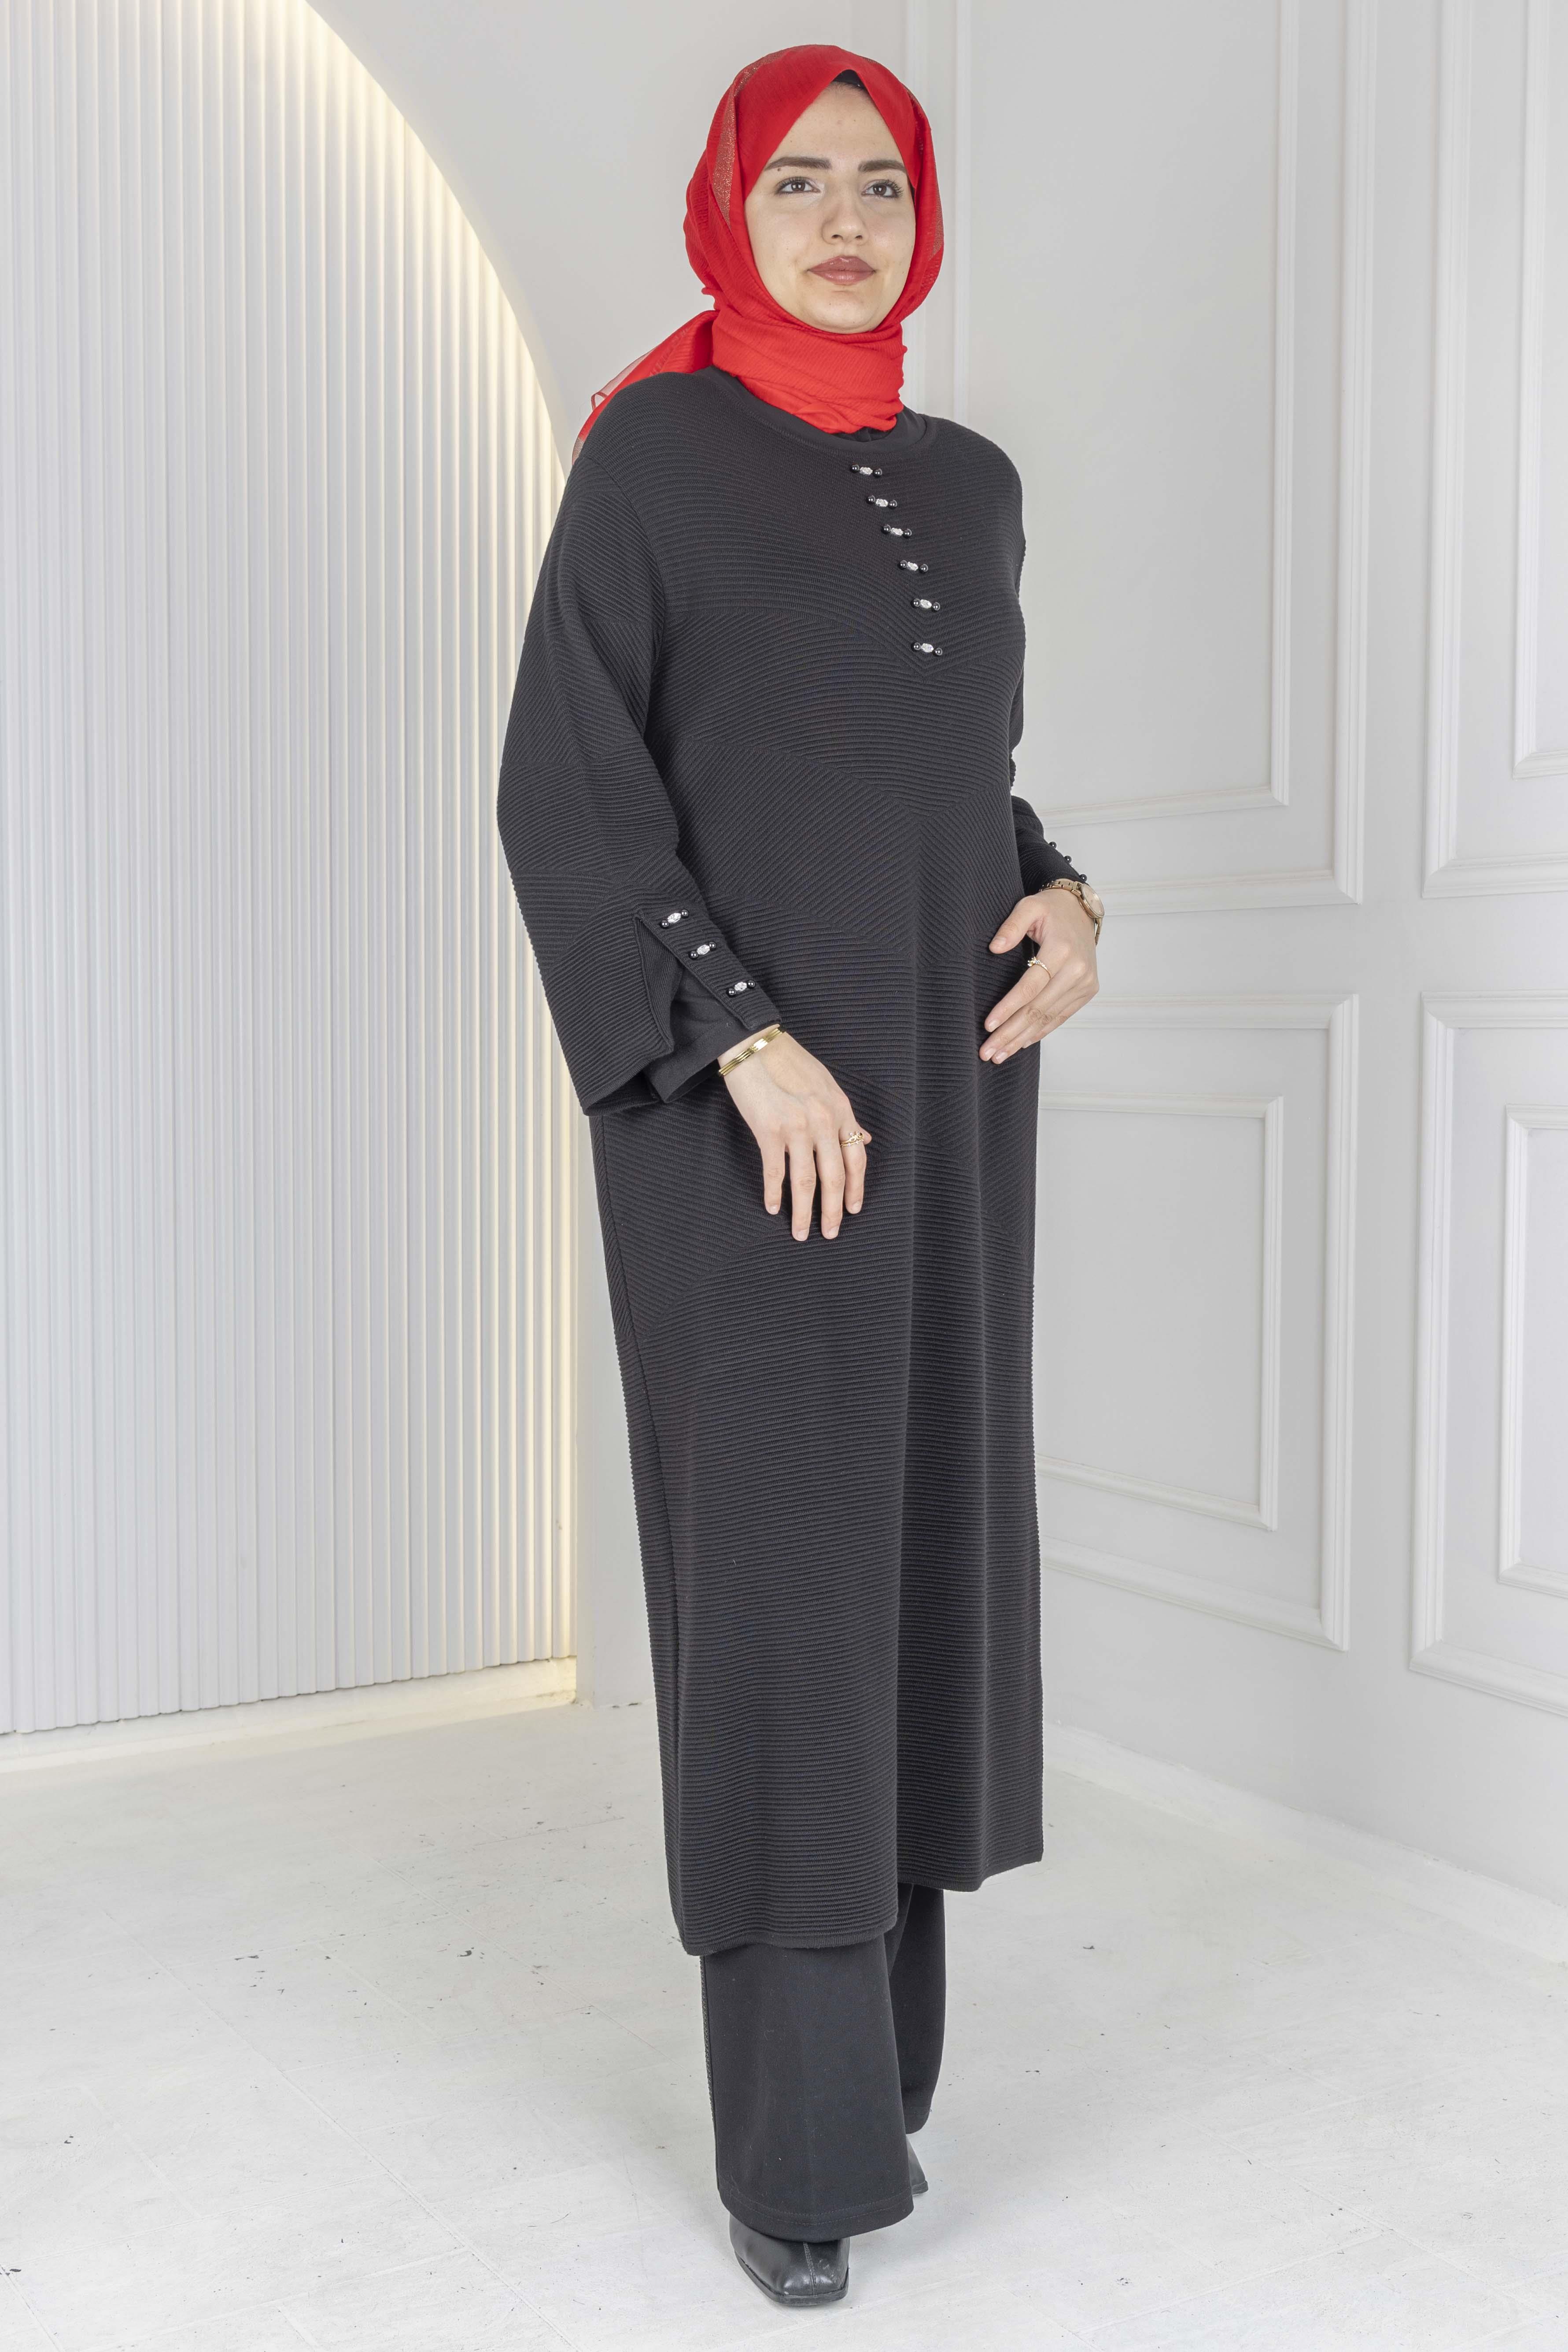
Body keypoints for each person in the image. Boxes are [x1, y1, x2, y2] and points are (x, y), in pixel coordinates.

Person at [495, 43, 1103, 2310]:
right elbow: (572, 784)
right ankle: (800, 2144)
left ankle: (884, 2083)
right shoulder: (653, 456)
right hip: (737, 1122)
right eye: (798, 183)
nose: (843, 222)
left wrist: (1069, 896)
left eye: (881, 186)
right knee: (780, 1603)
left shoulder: (976, 488)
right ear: (727, 208)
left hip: (943, 1109)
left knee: (913, 1567)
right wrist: (740, 1037)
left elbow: (950, 778)